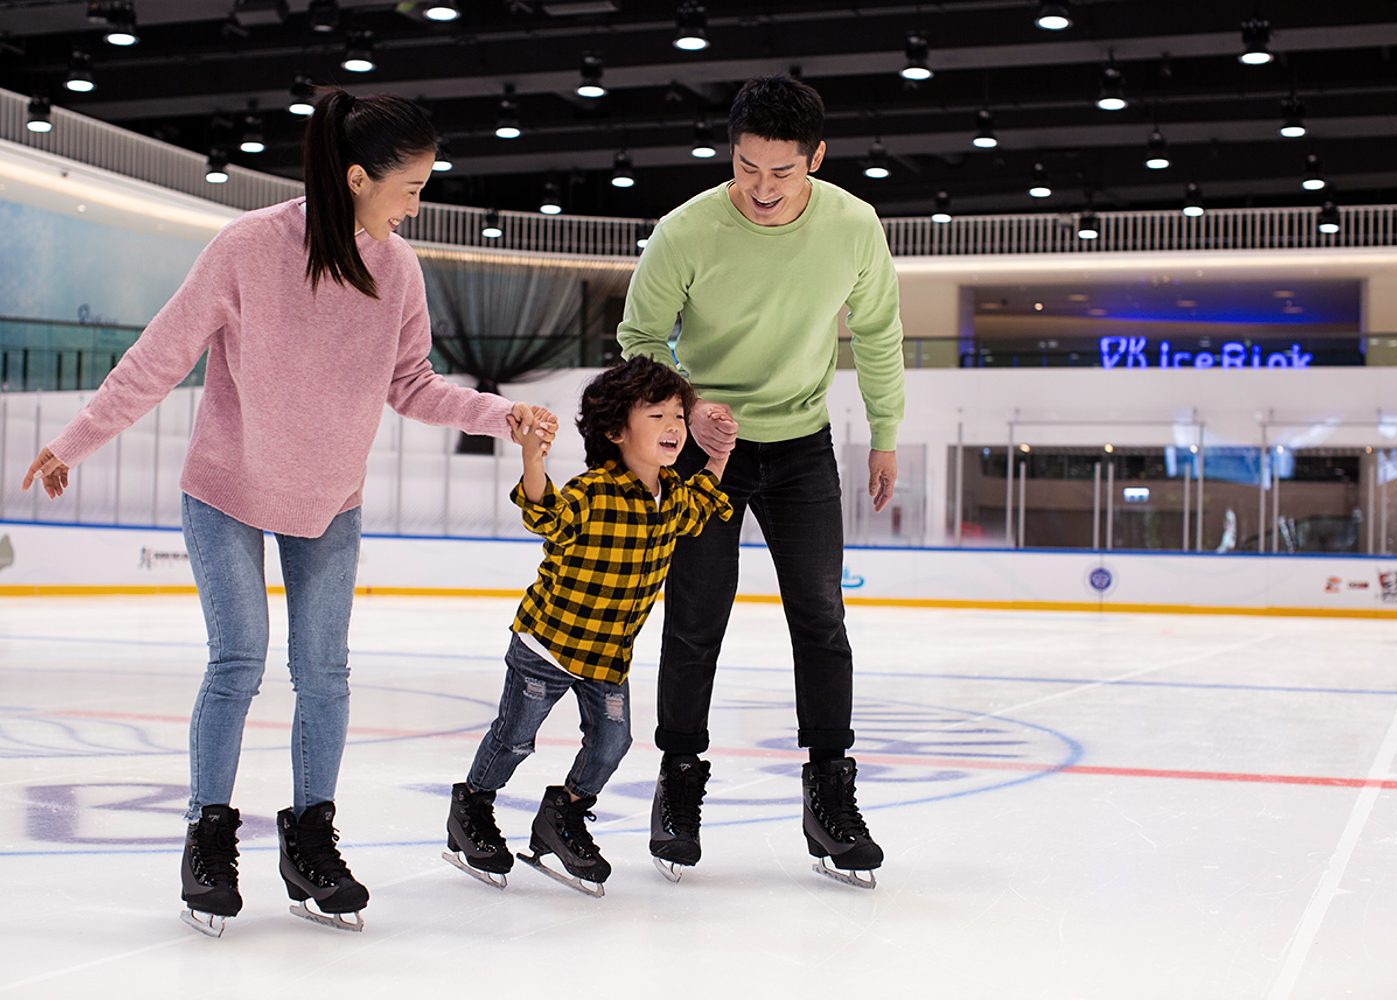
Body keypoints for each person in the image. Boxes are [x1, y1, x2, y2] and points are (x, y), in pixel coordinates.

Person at [21, 89, 557, 935]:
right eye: (411, 186)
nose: (418, 202)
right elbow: (159, 358)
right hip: (227, 486)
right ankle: (208, 834)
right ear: (356, 178)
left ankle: (310, 838)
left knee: (325, 674)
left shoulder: (398, 270)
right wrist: (76, 441)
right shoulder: (247, 249)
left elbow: (409, 384)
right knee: (238, 659)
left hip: (329, 499)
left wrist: (501, 415)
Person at [617, 75, 905, 888]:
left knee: (821, 618)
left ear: (816, 156)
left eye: (782, 172)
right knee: (694, 619)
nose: (763, 190)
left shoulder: (853, 226)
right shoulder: (686, 230)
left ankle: (829, 793)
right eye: (747, 169)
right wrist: (689, 407)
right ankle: (678, 783)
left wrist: (886, 433)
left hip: (803, 445)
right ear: (731, 155)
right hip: (706, 454)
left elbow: (878, 331)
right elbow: (639, 335)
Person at [442, 356, 732, 896]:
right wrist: (533, 456)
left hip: (607, 656)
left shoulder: (671, 496)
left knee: (612, 743)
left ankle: (563, 814)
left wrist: (717, 456)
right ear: (616, 432)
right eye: (658, 416)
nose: (673, 427)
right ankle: (472, 809)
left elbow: (702, 507)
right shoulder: (593, 490)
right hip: (547, 646)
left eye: (678, 416)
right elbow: (544, 513)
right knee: (514, 738)